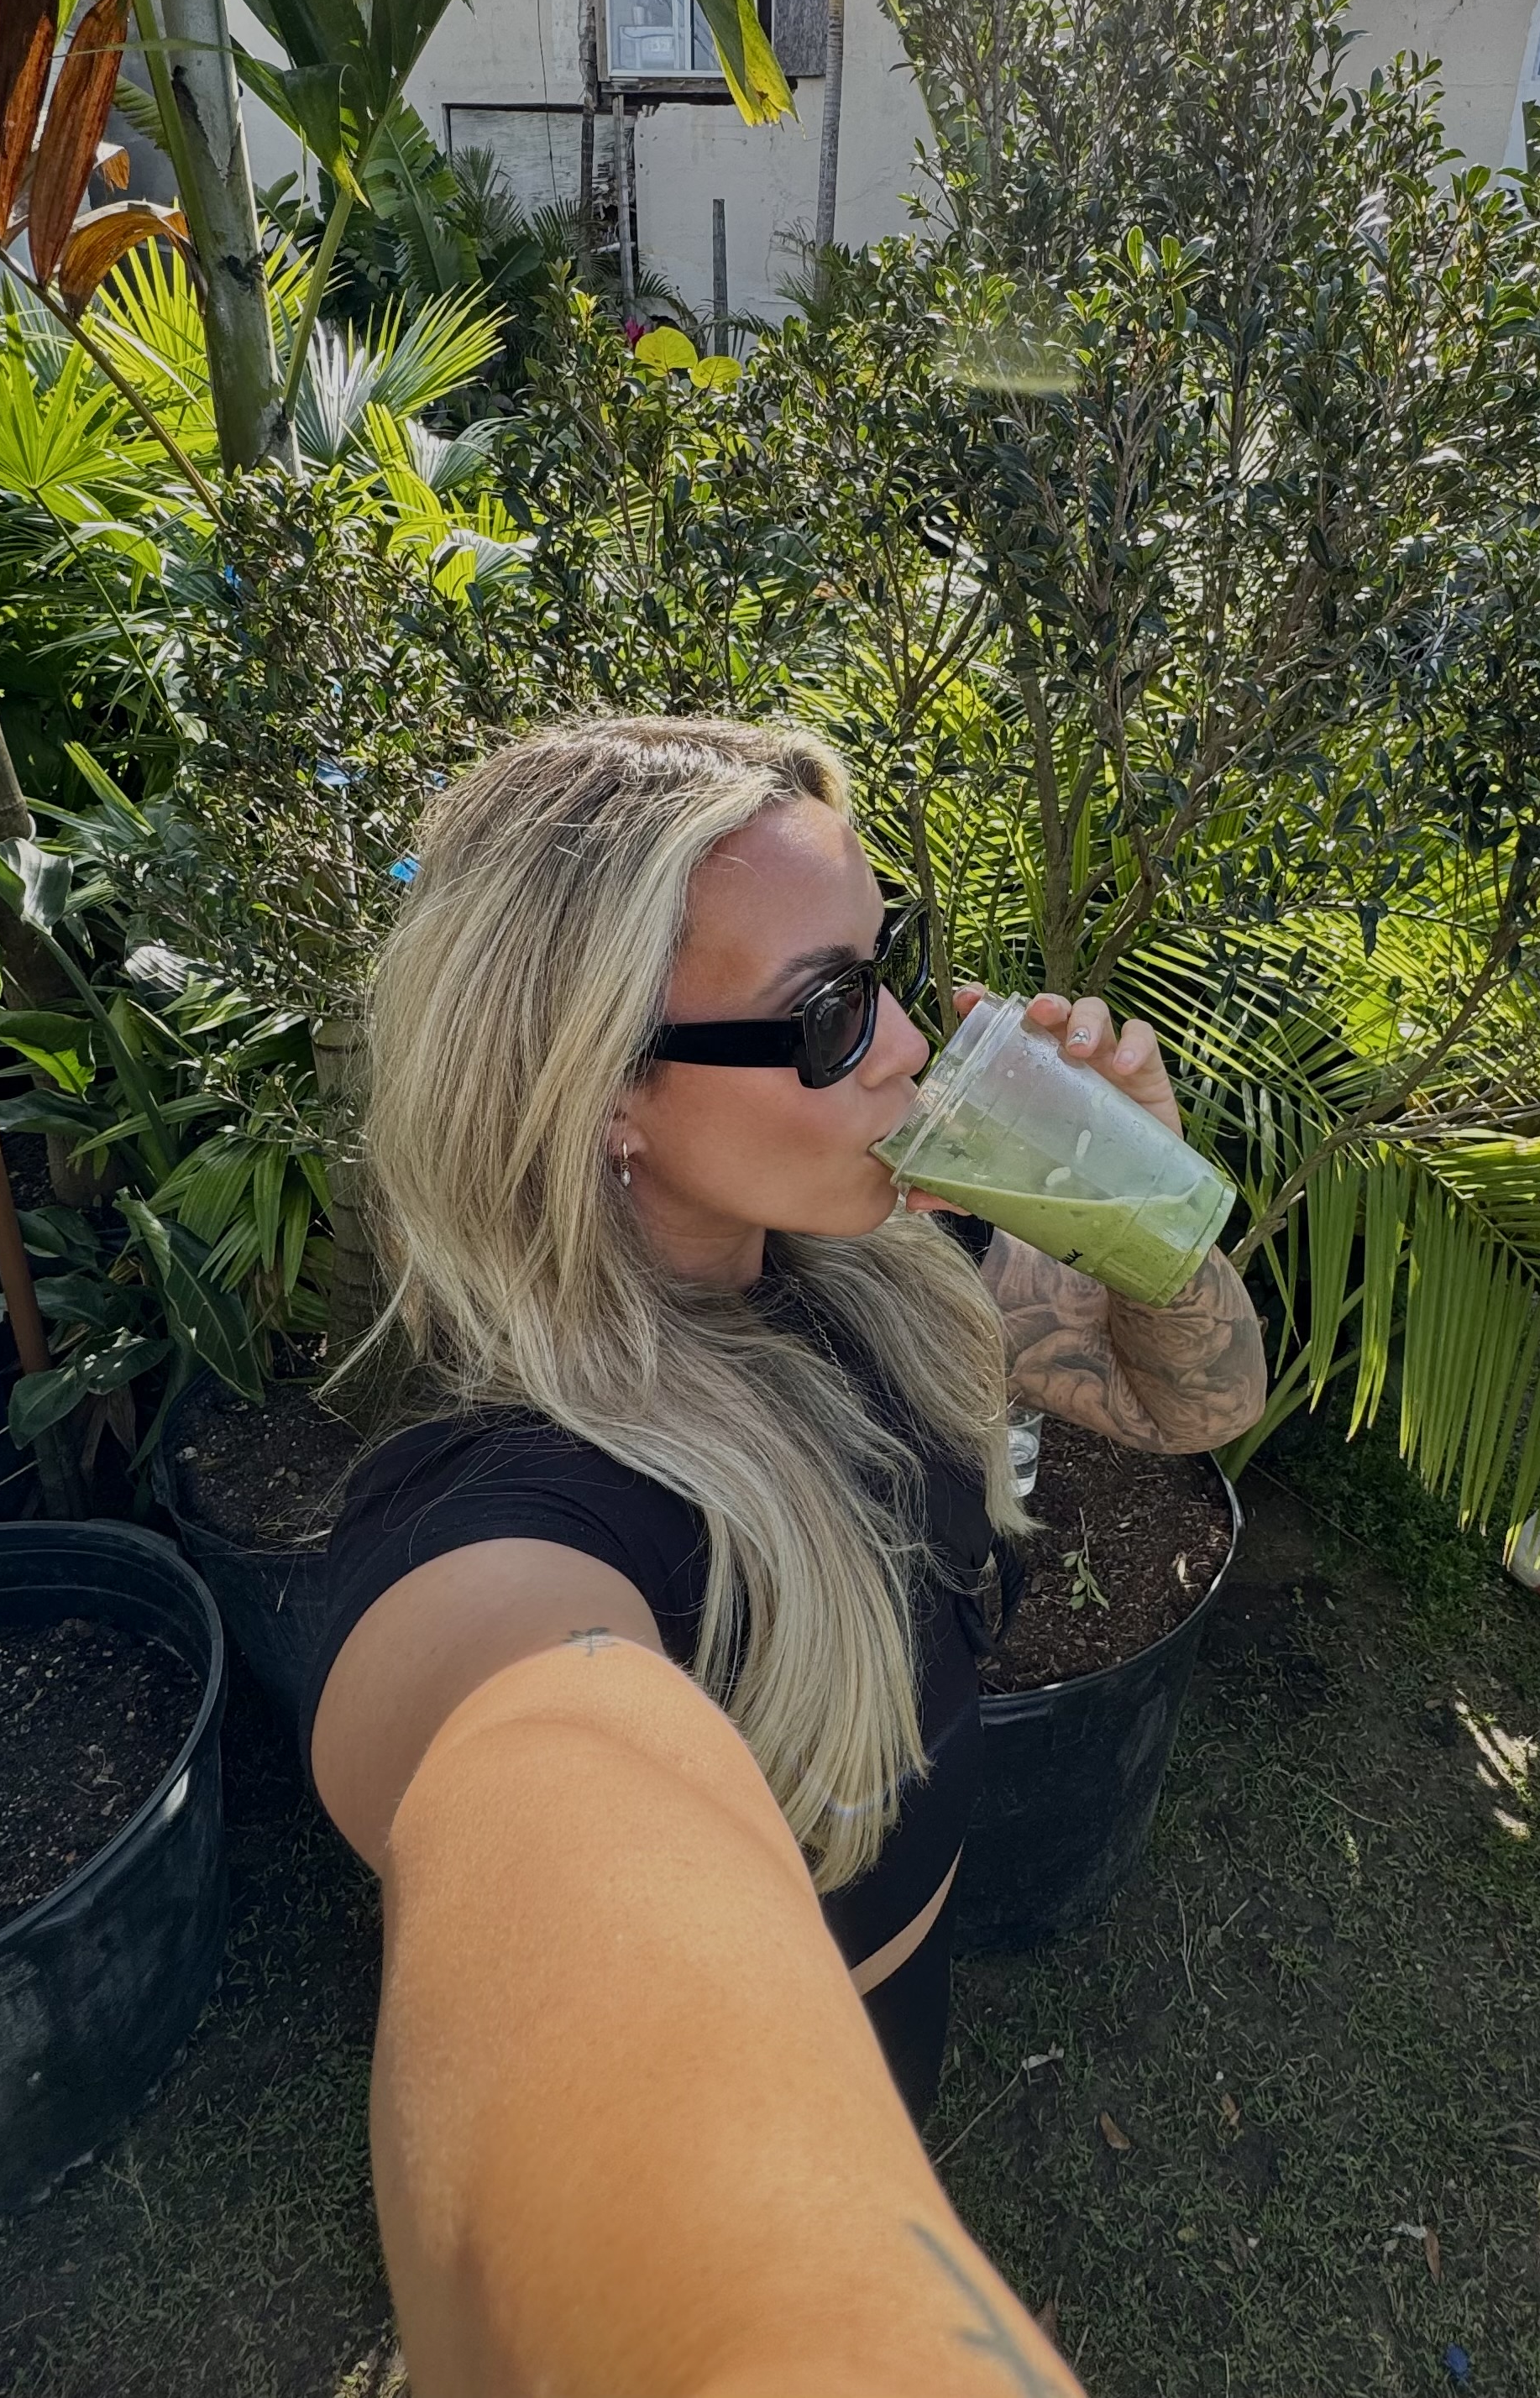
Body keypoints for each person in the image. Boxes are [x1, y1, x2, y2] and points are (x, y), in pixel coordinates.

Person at [306, 717, 1266, 2395]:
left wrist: (1139, 1199)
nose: (907, 1045)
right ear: (604, 1087)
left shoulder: (875, 1266)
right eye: (829, 1012)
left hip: (891, 2026)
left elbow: (1192, 1402)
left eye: (888, 968)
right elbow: (539, 1808)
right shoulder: (522, 1535)